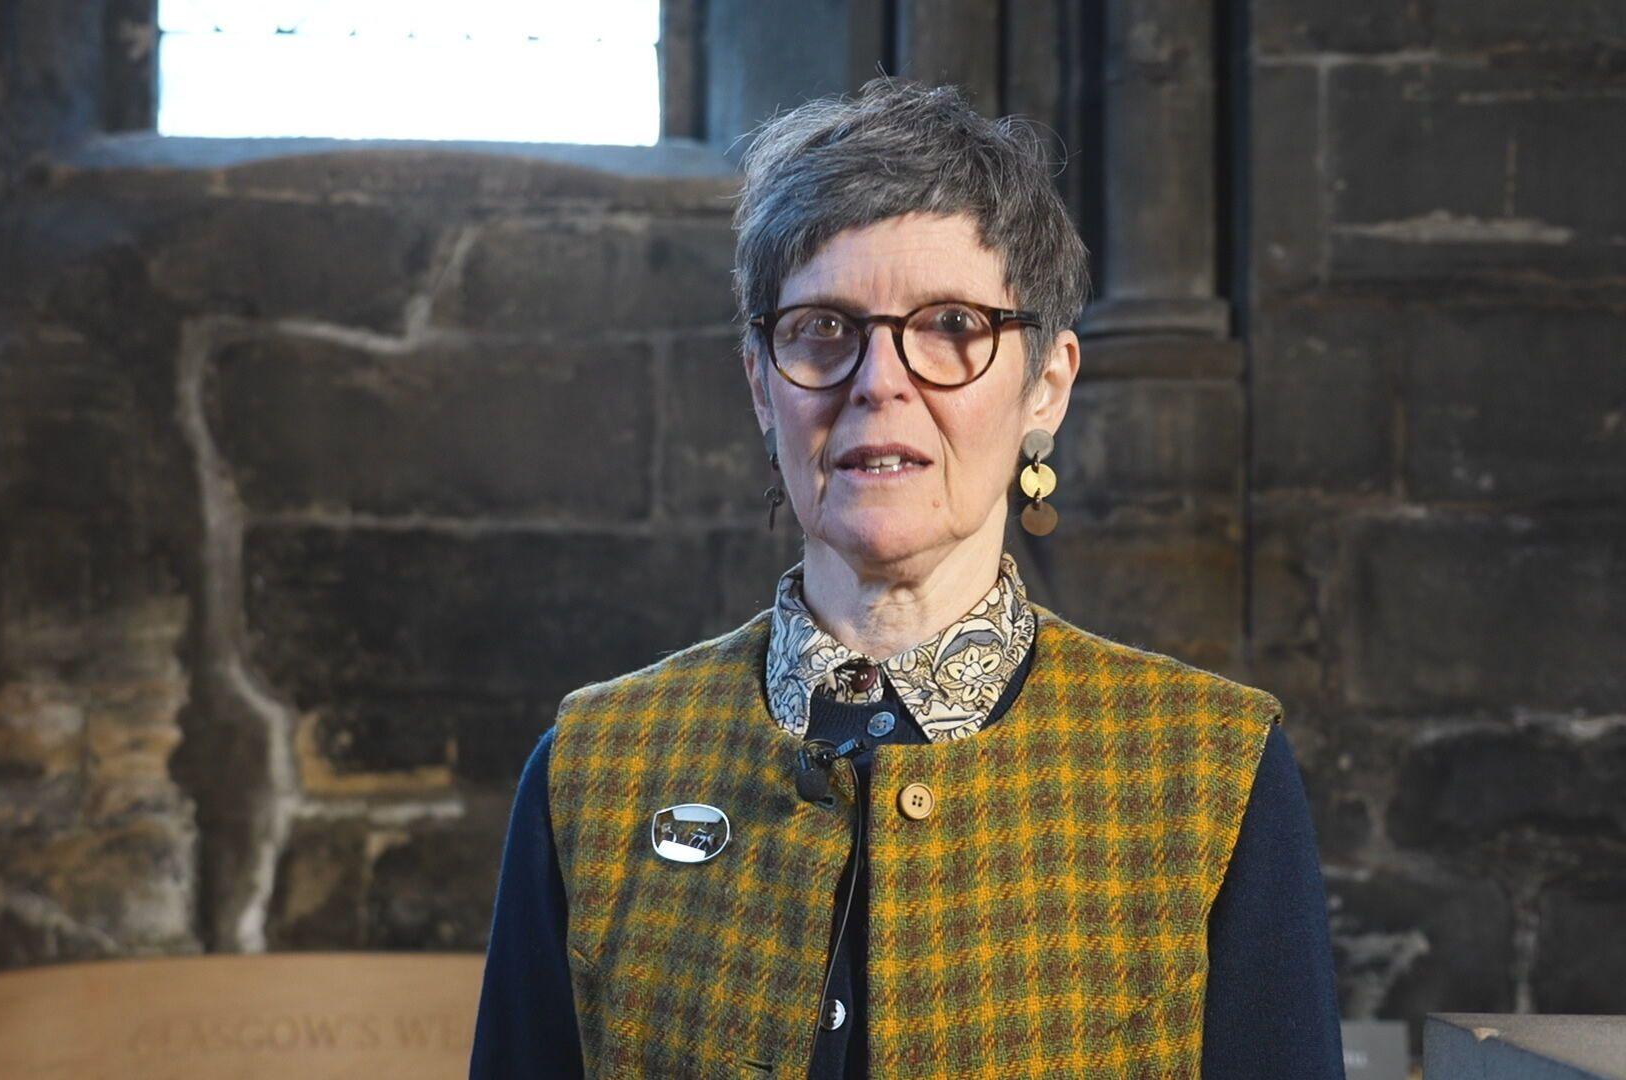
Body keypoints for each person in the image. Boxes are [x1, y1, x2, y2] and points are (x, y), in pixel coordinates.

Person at [470, 78, 1343, 1078]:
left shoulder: (1210, 775)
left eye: (953, 328)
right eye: (822, 328)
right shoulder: (593, 770)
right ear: (762, 384)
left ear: (1045, 386)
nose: (878, 381)